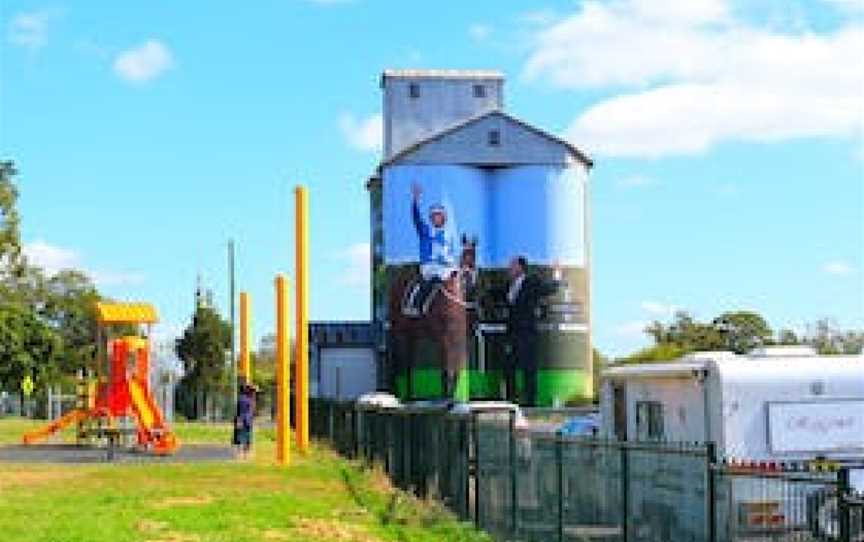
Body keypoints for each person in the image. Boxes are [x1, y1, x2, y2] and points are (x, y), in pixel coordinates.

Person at [503, 256, 563, 407]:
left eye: (512, 265)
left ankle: (530, 403)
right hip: (512, 334)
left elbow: (550, 289)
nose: (509, 268)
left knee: (529, 369)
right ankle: (511, 401)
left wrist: (557, 274)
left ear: (520, 267)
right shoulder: (509, 285)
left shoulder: (531, 282)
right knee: (509, 367)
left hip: (527, 334)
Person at [407, 182, 457, 314]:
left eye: (439, 216)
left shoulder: (449, 235)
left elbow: (451, 254)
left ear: (444, 218)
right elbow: (416, 219)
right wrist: (415, 201)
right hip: (430, 266)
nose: (437, 218)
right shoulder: (425, 230)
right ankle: (416, 305)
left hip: (446, 267)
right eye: (434, 216)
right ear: (431, 218)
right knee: (434, 279)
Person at [232, 382, 256, 459]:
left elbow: (250, 411)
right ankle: (241, 454)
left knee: (246, 438)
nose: (254, 393)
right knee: (241, 438)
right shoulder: (243, 399)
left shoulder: (248, 398)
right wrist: (239, 421)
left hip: (247, 421)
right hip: (243, 421)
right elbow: (240, 411)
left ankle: (244, 454)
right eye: (252, 391)